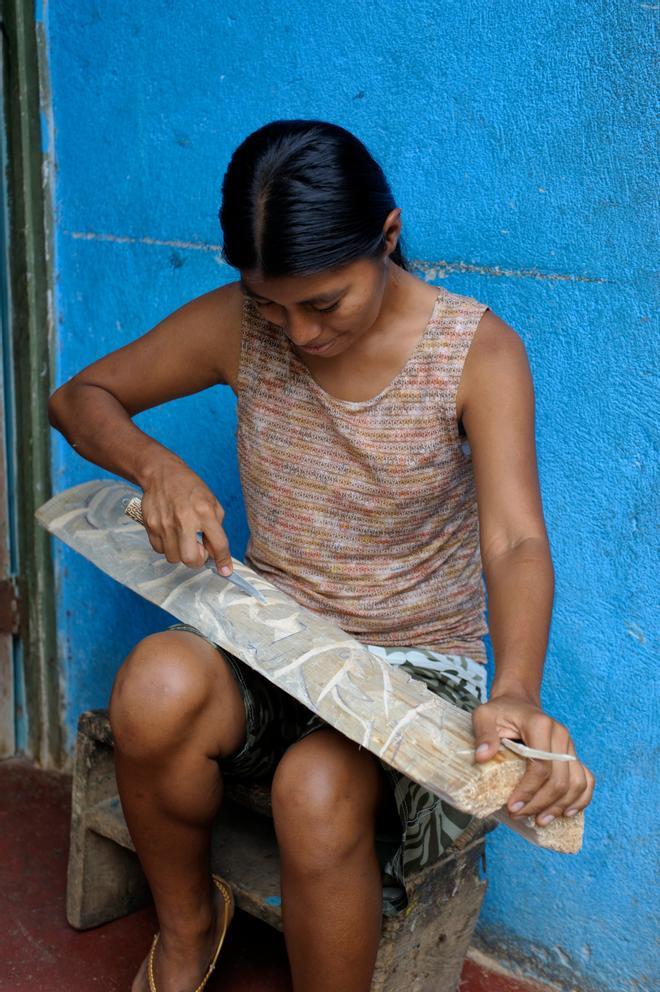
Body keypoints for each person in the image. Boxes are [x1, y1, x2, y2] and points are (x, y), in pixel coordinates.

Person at [48, 119, 595, 992]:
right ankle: (189, 931)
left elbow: (518, 539)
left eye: (324, 303)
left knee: (315, 787)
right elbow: (80, 398)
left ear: (386, 238)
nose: (297, 334)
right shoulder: (240, 327)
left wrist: (516, 689)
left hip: (411, 675)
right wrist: (155, 466)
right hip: (275, 641)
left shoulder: (475, 353)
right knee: (153, 684)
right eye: (272, 305)